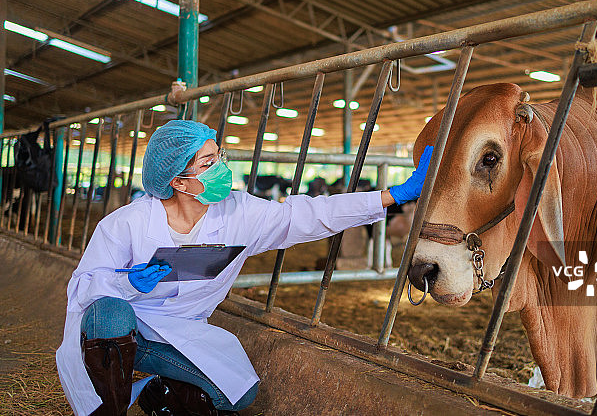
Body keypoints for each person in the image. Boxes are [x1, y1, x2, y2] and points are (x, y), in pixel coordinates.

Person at [55, 120, 433, 416]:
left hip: (179, 332)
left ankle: (157, 391)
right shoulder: (128, 223)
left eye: (219, 156)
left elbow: (303, 215)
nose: (221, 168)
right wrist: (127, 284)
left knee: (236, 394)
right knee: (109, 311)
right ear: (179, 182)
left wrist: (390, 196)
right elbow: (84, 286)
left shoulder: (238, 212)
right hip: (119, 329)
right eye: (208, 163)